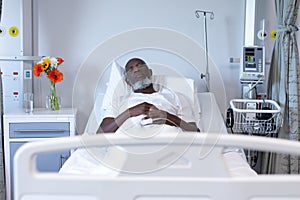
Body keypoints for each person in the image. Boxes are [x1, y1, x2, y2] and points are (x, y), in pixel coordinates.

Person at [97, 58, 200, 133]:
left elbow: (195, 131)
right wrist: (130, 112)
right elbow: (101, 134)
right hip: (129, 148)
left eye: (140, 65)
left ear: (150, 72)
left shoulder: (175, 97)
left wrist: (167, 117)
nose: (136, 70)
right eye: (130, 69)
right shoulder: (118, 101)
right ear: (127, 81)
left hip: (168, 146)